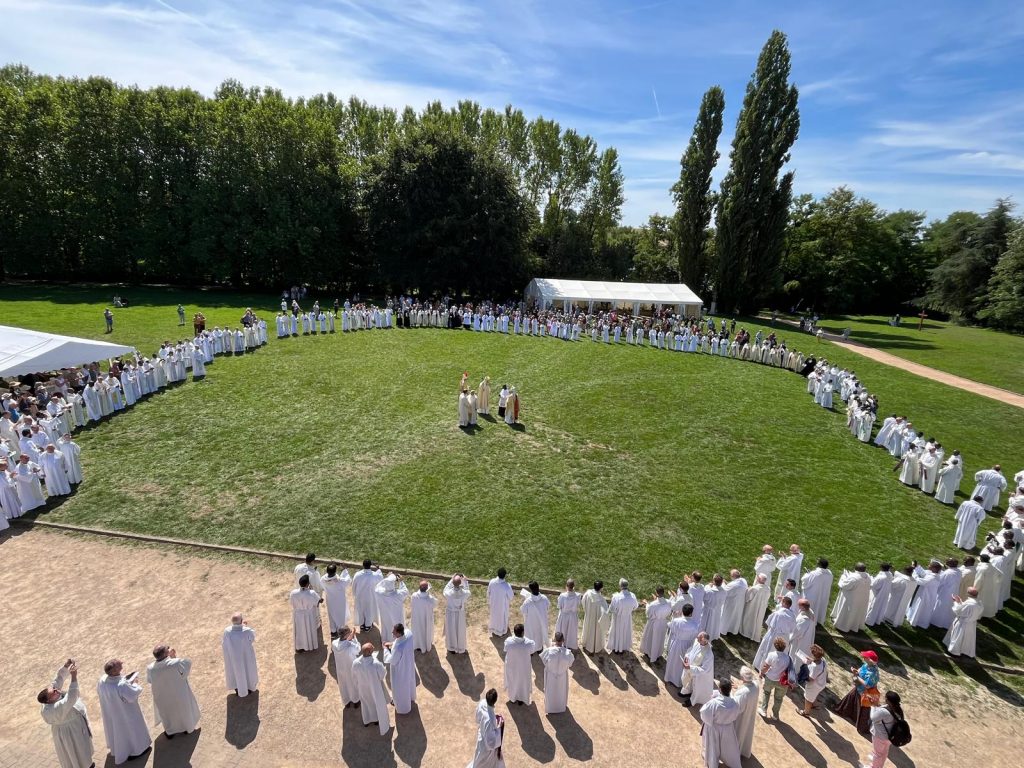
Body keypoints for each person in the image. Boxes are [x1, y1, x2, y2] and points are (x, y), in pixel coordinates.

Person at [38, 660, 94, 768]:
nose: (56, 690)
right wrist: (74, 677)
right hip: (70, 732)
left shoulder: (51, 697)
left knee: (82, 749)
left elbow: (57, 680)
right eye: (54, 692)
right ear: (49, 701)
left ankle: (87, 764)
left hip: (75, 726)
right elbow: (72, 697)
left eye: (55, 689)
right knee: (77, 750)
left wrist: (66, 666)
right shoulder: (55, 709)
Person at [97, 658, 151, 764]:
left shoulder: (102, 680)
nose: (122, 663)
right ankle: (137, 750)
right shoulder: (121, 685)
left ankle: (121, 749)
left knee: (119, 732)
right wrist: (135, 683)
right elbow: (132, 695)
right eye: (119, 664)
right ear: (114, 671)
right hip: (127, 713)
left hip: (112, 713)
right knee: (132, 730)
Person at [146, 644, 201, 738]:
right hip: (178, 694)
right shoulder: (175, 663)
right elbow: (186, 668)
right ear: (166, 653)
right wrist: (173, 657)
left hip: (162, 697)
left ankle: (170, 732)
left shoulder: (150, 668)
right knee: (182, 711)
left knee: (167, 714)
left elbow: (150, 680)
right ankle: (186, 728)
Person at [834, 649, 880, 735]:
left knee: (863, 710)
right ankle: (846, 712)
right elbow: (861, 670)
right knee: (851, 699)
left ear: (869, 660)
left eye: (865, 657)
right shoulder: (867, 665)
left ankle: (862, 727)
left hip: (865, 693)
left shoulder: (872, 673)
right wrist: (856, 671)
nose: (863, 658)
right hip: (859, 688)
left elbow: (867, 685)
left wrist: (857, 677)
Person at [699, 679, 742, 768]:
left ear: (720, 689)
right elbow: (735, 715)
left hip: (714, 728)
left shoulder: (714, 703)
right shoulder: (735, 703)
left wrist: (710, 722)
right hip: (728, 728)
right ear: (730, 690)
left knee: (713, 748)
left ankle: (713, 763)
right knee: (727, 747)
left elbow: (704, 714)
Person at [352, 643, 390, 735]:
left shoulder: (356, 662)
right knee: (376, 703)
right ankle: (376, 720)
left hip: (363, 688)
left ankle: (367, 720)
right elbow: (382, 675)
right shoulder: (376, 664)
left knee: (365, 704)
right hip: (375, 688)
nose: (373, 649)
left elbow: (354, 676)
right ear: (369, 652)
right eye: (372, 648)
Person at [752, 596, 795, 670]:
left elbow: (769, 623)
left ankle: (761, 666)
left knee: (768, 650)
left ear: (784, 603)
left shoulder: (778, 613)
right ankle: (775, 670)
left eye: (782, 602)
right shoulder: (793, 616)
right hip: (785, 637)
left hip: (774, 635)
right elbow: (792, 629)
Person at [222, 613, 258, 697]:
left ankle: (238, 689)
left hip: (233, 658)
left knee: (236, 672)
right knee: (248, 671)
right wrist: (244, 626)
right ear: (241, 621)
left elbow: (224, 643)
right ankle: (249, 688)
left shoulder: (227, 631)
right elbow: (252, 638)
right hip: (246, 656)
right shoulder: (247, 631)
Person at [466, 689, 505, 768]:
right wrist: (499, 727)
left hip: (481, 738)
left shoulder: (482, 703)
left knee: (479, 756)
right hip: (486, 747)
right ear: (495, 700)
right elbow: (491, 743)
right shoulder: (490, 720)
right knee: (485, 762)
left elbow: (478, 718)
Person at [383, 623, 416, 715]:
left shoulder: (398, 649)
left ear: (398, 633)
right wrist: (391, 644)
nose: (392, 632)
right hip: (408, 664)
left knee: (399, 687)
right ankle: (410, 697)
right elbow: (400, 641)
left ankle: (402, 706)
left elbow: (392, 660)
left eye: (394, 632)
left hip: (400, 670)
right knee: (408, 682)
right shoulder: (408, 633)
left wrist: (385, 649)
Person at [866, 691, 904, 768]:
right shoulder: (899, 710)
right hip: (890, 736)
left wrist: (873, 705)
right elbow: (883, 711)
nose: (885, 699)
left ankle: (874, 766)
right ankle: (879, 765)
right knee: (884, 752)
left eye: (886, 698)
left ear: (888, 700)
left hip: (880, 737)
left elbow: (873, 717)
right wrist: (877, 705)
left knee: (878, 753)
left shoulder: (885, 711)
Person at [664, 603, 700, 686]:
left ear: (682, 611)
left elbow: (671, 627)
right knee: (682, 664)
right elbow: (695, 635)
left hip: (676, 643)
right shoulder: (695, 625)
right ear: (691, 613)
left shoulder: (676, 621)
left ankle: (669, 677)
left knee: (673, 660)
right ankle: (679, 681)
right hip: (688, 645)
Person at [831, 563, 872, 633]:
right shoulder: (868, 577)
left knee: (849, 613)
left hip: (851, 599)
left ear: (855, 569)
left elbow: (844, 585)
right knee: (856, 613)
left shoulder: (854, 578)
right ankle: (854, 625)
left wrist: (843, 576)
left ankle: (843, 626)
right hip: (861, 600)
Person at [757, 636, 791, 720]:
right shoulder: (788, 658)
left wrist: (761, 673)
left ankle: (764, 710)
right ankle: (775, 715)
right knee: (778, 698)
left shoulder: (771, 655)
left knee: (766, 693)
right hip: (782, 682)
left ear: (775, 646)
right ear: (784, 647)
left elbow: (766, 666)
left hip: (770, 678)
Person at [540, 631, 574, 714]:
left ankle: (550, 707)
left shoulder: (548, 651)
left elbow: (544, 662)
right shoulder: (568, 653)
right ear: (563, 640)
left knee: (550, 691)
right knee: (561, 692)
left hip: (551, 676)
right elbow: (570, 664)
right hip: (562, 677)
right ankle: (560, 707)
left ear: (554, 639)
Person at [944, 587, 982, 657]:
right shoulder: (979, 603)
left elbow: (959, 611)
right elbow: (967, 611)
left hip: (963, 623)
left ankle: (954, 652)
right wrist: (960, 602)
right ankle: (964, 651)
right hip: (971, 624)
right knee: (967, 639)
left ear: (968, 594)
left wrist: (955, 602)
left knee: (958, 638)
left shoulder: (969, 604)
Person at [503, 624, 535, 705]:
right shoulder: (529, 643)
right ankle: (521, 699)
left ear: (514, 632)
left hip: (511, 667)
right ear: (523, 632)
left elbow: (505, 649)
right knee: (522, 683)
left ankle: (512, 698)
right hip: (523, 669)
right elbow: (532, 651)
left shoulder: (508, 641)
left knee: (512, 682)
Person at [639, 586, 673, 661]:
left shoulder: (653, 604)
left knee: (651, 638)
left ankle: (649, 652)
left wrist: (646, 603)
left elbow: (648, 614)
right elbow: (668, 611)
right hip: (663, 622)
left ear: (656, 593)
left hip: (654, 623)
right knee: (660, 638)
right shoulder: (669, 602)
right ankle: (657, 653)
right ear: (663, 592)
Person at [680, 632, 714, 706]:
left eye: (699, 639)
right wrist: (687, 657)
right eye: (698, 637)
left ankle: (692, 701)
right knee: (688, 681)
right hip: (690, 669)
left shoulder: (709, 654)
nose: (697, 639)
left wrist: (690, 667)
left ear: (705, 641)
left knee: (696, 688)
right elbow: (690, 650)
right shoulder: (697, 642)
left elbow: (704, 669)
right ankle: (686, 692)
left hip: (699, 675)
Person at [606, 578, 639, 653]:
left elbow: (612, 609)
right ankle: (624, 647)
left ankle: (616, 648)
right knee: (625, 632)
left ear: (620, 586)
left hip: (618, 618)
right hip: (627, 617)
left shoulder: (616, 597)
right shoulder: (632, 596)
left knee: (617, 632)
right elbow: (635, 606)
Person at [290, 574, 321, 652]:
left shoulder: (293, 593)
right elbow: (317, 602)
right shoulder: (312, 593)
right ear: (308, 584)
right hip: (309, 615)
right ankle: (310, 646)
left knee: (300, 631)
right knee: (309, 630)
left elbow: (292, 603)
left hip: (298, 615)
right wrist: (320, 600)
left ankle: (300, 647)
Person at [906, 560, 941, 628]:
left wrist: (914, 572)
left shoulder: (932, 577)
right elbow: (924, 574)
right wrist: (916, 567)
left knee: (919, 607)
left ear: (934, 568)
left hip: (925, 596)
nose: (928, 565)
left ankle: (916, 621)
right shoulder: (934, 575)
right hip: (928, 594)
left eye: (930, 565)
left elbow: (920, 581)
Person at [733, 666, 759, 758]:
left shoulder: (743, 693)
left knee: (738, 733)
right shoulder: (756, 685)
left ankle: (734, 753)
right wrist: (739, 687)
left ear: (742, 678)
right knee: (746, 733)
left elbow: (737, 708)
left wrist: (731, 696)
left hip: (741, 718)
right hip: (749, 714)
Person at [332, 627, 361, 708]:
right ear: (346, 635)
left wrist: (349, 639)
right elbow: (358, 649)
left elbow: (341, 645)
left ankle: (346, 701)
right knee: (353, 683)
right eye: (349, 632)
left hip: (340, 668)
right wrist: (354, 638)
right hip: (350, 668)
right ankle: (355, 700)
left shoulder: (334, 643)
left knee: (343, 684)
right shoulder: (350, 645)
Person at [797, 644, 828, 717]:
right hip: (821, 683)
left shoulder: (815, 667)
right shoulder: (823, 660)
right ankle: (814, 704)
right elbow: (817, 661)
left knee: (808, 698)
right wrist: (811, 660)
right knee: (814, 695)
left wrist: (805, 665)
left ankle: (806, 712)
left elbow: (810, 679)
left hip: (814, 686)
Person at [321, 563, 351, 638]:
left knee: (331, 615)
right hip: (339, 601)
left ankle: (333, 632)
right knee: (340, 616)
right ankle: (341, 632)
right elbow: (348, 580)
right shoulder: (339, 581)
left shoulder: (323, 579)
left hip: (330, 600)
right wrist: (345, 570)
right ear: (335, 571)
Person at [352, 559, 383, 631]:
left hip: (360, 597)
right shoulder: (375, 575)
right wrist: (378, 569)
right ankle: (368, 626)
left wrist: (355, 594)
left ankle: (362, 624)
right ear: (370, 566)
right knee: (369, 611)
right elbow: (381, 579)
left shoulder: (357, 574)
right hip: (370, 597)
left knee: (361, 610)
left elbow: (353, 585)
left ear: (363, 565)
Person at [375, 573, 409, 638]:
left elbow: (377, 586)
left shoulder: (379, 593)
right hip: (397, 618)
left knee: (386, 628)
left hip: (385, 617)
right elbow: (405, 590)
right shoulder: (398, 594)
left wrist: (386, 579)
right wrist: (401, 581)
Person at [800, 559, 834, 624]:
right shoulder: (830, 574)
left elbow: (805, 581)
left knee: (812, 607)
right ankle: (818, 619)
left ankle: (808, 620)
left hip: (813, 595)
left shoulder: (814, 574)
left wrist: (807, 574)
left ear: (819, 565)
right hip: (823, 595)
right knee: (820, 606)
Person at [443, 574, 471, 653]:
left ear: (453, 583)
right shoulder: (464, 593)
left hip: (450, 614)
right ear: (460, 583)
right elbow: (468, 591)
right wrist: (465, 582)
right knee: (460, 630)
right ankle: (460, 646)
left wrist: (451, 580)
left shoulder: (448, 593)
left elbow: (445, 589)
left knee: (451, 630)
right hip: (460, 614)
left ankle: (451, 647)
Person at [580, 580, 610, 654]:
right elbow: (605, 612)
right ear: (601, 588)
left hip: (588, 617)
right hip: (597, 621)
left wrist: (587, 611)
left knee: (587, 630)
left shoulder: (587, 593)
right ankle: (596, 646)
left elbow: (583, 602)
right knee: (596, 633)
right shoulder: (601, 600)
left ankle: (586, 643)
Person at [519, 581, 550, 652]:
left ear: (531, 590)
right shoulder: (544, 598)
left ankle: (531, 651)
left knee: (531, 635)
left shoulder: (527, 601)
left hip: (531, 623)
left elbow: (523, 610)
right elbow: (548, 607)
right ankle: (539, 648)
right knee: (539, 635)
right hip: (541, 623)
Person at [740, 574, 772, 641]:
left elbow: (747, 598)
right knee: (757, 621)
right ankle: (754, 634)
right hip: (761, 609)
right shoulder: (768, 589)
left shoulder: (755, 588)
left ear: (759, 579)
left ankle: (746, 632)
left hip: (752, 607)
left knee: (749, 619)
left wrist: (749, 589)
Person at [410, 580, 437, 653]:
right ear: (427, 589)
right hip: (426, 620)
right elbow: (435, 604)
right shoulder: (430, 599)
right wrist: (429, 593)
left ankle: (418, 645)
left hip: (417, 619)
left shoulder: (414, 596)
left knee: (417, 631)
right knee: (426, 630)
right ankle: (426, 643)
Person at [555, 579, 582, 650]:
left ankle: (562, 643)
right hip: (573, 616)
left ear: (566, 586)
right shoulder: (578, 596)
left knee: (563, 630)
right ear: (574, 586)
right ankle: (570, 644)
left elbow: (559, 606)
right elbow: (578, 605)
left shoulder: (562, 596)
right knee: (571, 631)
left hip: (564, 616)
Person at [487, 567, 514, 636]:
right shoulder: (507, 586)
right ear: (505, 575)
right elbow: (511, 597)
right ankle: (501, 631)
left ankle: (493, 629)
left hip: (493, 604)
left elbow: (488, 592)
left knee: (494, 616)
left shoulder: (492, 581)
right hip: (502, 606)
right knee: (502, 618)